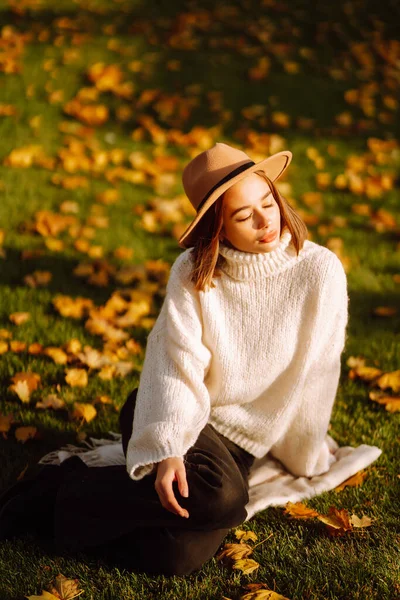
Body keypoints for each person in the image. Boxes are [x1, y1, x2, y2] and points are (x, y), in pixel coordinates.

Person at [0, 142, 353, 575]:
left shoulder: (320, 272)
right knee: (223, 500)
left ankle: (66, 493)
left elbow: (318, 373)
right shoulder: (193, 273)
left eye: (268, 202)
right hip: (172, 409)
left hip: (242, 445)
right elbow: (173, 364)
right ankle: (55, 496)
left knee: (174, 557)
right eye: (244, 216)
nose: (266, 221)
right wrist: (167, 448)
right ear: (218, 229)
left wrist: (304, 454)